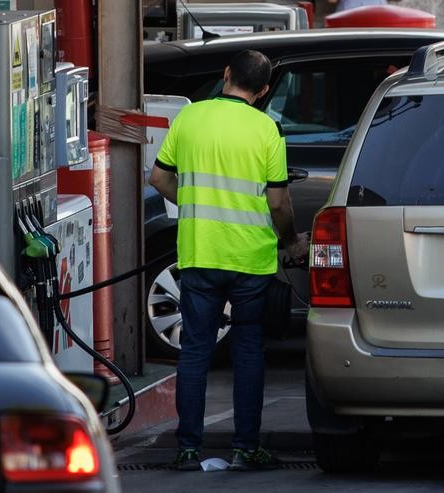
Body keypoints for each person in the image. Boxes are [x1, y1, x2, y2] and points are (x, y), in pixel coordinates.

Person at [149, 49, 309, 472]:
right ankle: (246, 447)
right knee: (248, 351)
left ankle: (186, 450)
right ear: (264, 90)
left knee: (195, 351)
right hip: (250, 260)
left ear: (225, 75)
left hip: (200, 254)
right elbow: (278, 203)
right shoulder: (266, 130)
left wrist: (196, 203)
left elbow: (159, 177)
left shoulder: (190, 118)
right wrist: (291, 242)